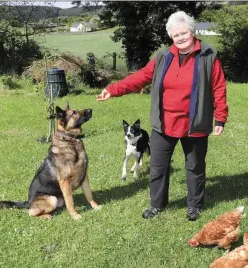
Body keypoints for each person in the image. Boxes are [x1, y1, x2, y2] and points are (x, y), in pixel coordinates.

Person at [97, 11, 228, 221]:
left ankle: (194, 205)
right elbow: (141, 77)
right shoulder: (163, 57)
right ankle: (157, 204)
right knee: (158, 167)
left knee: (195, 166)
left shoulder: (208, 55)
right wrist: (113, 89)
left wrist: (220, 117)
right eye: (176, 35)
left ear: (192, 31)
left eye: (184, 33)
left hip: (194, 124)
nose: (181, 38)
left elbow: (219, 87)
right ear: (171, 37)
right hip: (164, 123)